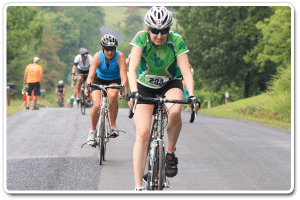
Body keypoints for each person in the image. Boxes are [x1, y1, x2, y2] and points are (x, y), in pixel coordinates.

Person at [127, 6, 200, 191]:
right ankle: (137, 187)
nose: (159, 35)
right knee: (142, 134)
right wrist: (134, 92)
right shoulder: (141, 39)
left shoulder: (176, 41)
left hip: (170, 82)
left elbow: (186, 73)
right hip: (144, 85)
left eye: (164, 31)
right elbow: (132, 69)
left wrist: (191, 95)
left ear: (169, 29)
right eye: (155, 31)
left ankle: (170, 153)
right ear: (148, 29)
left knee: (175, 110)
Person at [86, 34, 127, 145]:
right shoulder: (97, 57)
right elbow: (90, 75)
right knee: (97, 104)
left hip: (114, 80)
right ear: (103, 48)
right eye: (107, 49)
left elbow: (123, 76)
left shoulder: (120, 56)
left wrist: (123, 88)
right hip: (98, 80)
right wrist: (87, 86)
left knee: (113, 96)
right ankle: (92, 132)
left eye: (112, 49)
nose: (110, 52)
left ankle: (113, 125)